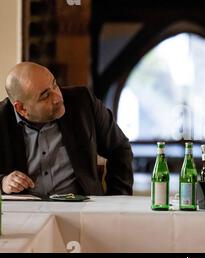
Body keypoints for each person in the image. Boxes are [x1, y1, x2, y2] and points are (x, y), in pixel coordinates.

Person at [0, 62, 133, 196]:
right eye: (45, 95)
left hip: (82, 208)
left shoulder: (83, 102)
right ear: (21, 108)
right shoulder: (2, 119)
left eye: (54, 85)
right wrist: (3, 183)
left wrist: (117, 198)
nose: (57, 97)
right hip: (24, 212)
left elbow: (120, 148)